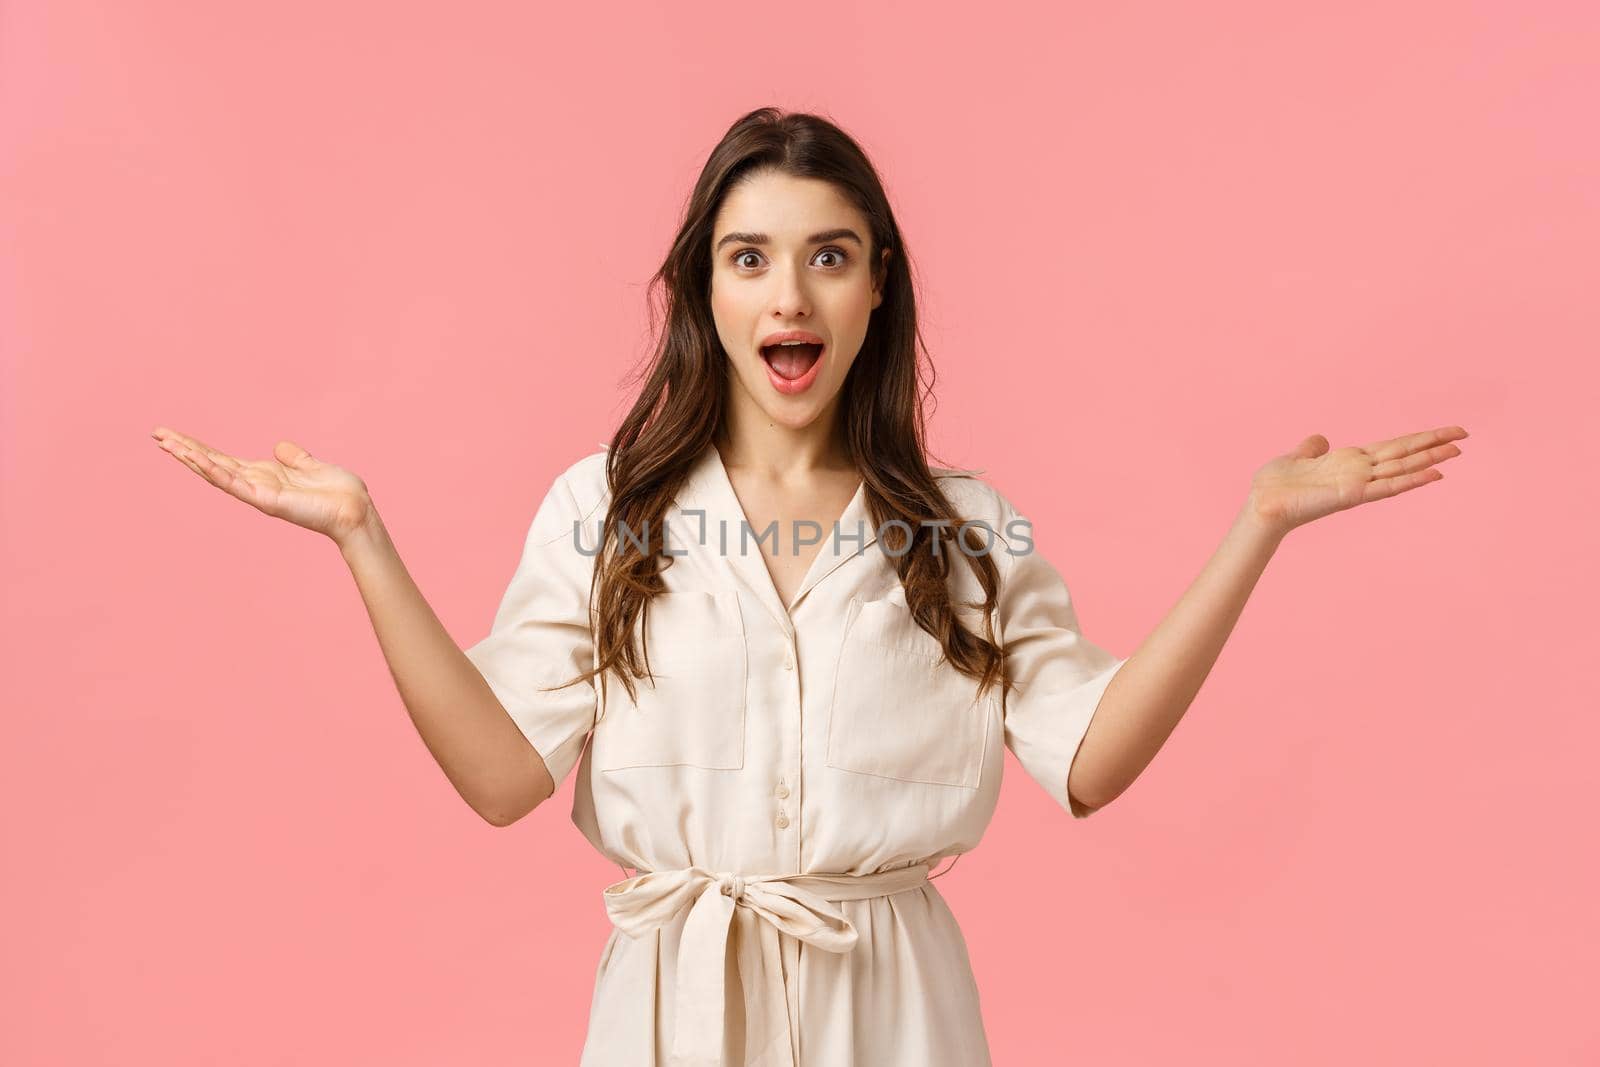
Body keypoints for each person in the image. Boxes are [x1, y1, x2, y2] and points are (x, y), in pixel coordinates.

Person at [150, 106, 1467, 1066]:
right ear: (702, 294)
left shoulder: (965, 530)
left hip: (893, 1013)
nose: (792, 293)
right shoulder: (605, 515)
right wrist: (362, 538)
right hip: (672, 1010)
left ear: (879, 286)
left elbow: (1090, 758)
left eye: (830, 256)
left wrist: (1258, 528)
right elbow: (501, 778)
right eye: (751, 257)